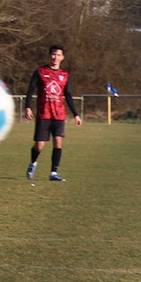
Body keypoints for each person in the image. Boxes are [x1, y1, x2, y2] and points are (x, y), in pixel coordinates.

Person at [24, 44, 82, 181]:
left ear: (62, 57)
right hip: (43, 114)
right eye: (53, 54)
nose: (55, 57)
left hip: (59, 115)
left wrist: (76, 114)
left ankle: (53, 173)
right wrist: (27, 107)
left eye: (58, 55)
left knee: (58, 142)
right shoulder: (40, 71)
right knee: (39, 145)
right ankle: (33, 163)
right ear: (50, 55)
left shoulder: (64, 75)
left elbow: (68, 95)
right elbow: (31, 89)